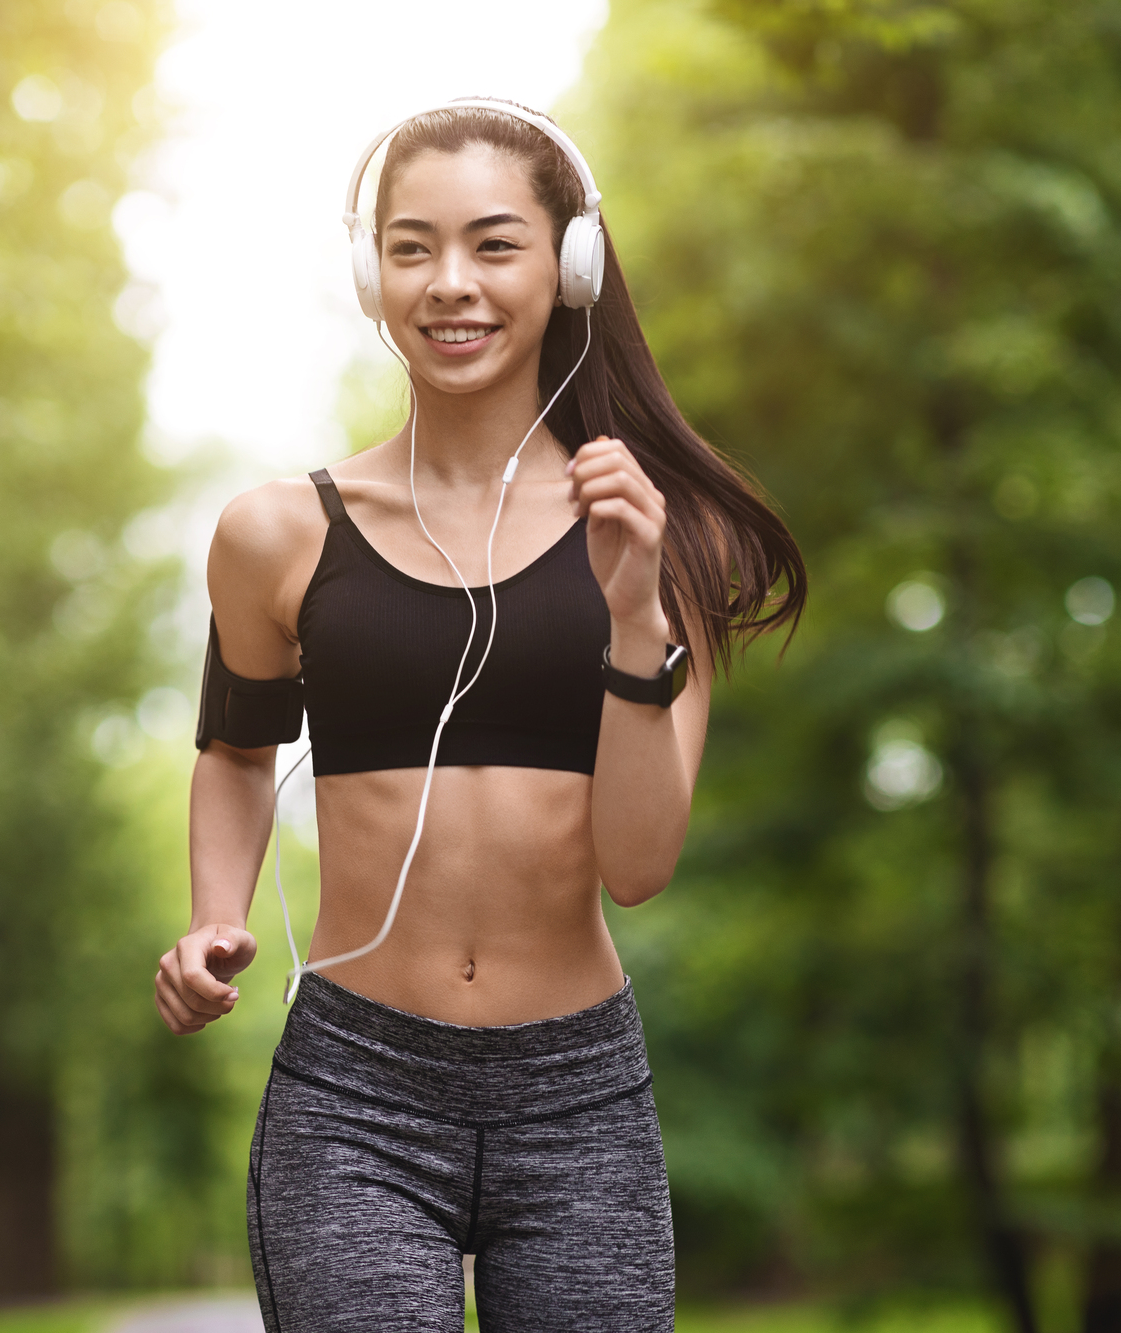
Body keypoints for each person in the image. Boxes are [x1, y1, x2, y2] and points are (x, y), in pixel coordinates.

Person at [152, 99, 806, 1332]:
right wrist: (210, 918)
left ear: (569, 266)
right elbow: (238, 753)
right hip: (353, 1092)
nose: (449, 283)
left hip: (578, 1098)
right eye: (411, 247)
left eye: (493, 244)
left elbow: (640, 865)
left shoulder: (662, 538)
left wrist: (629, 616)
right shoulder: (276, 536)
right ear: (369, 271)